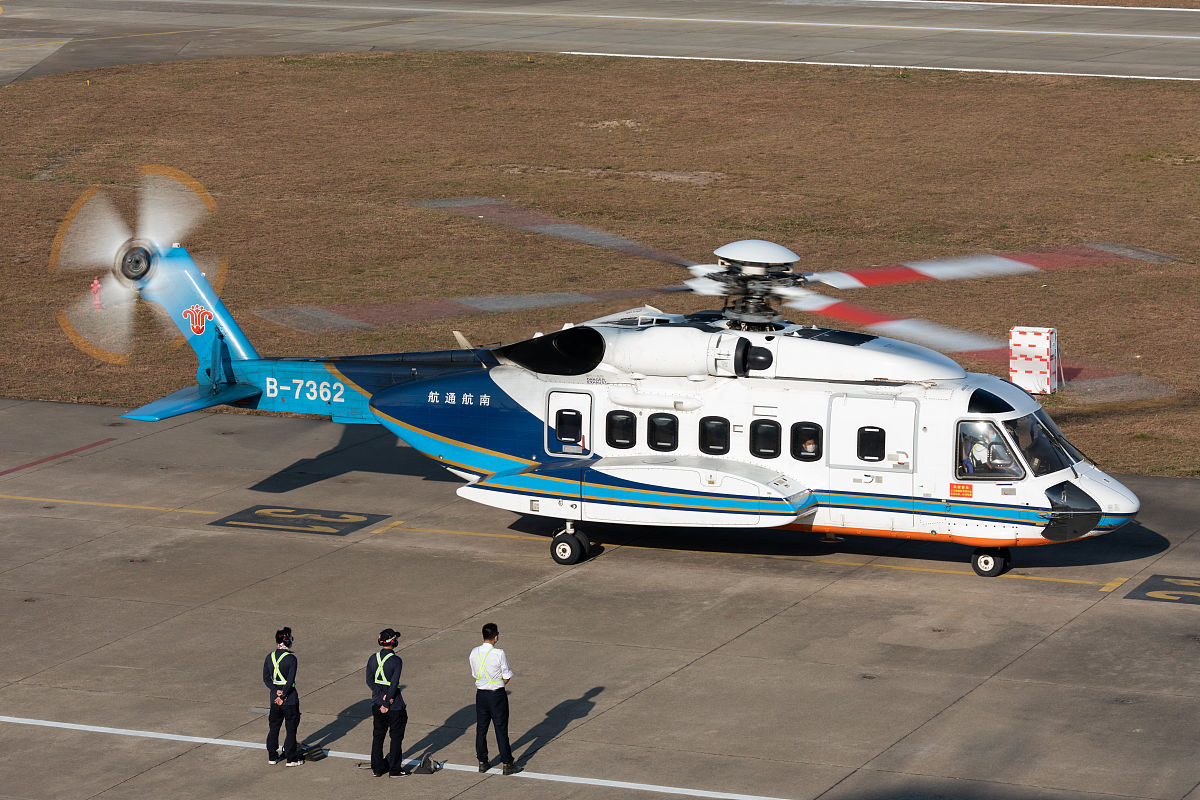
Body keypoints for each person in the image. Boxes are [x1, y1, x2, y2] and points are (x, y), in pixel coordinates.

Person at [469, 622, 521, 775]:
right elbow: (506, 676)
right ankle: (507, 763)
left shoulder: (474, 652)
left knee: (481, 729)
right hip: (496, 695)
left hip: (481, 695)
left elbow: (474, 673)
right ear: (496, 637)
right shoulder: (499, 653)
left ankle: (482, 761)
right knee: (501, 729)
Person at [367, 628, 410, 777]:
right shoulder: (396, 660)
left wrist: (380, 698)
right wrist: (387, 701)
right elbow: (394, 683)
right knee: (396, 736)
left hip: (376, 703)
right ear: (393, 642)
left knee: (378, 736)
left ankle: (377, 768)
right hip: (394, 705)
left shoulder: (373, 658)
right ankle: (395, 769)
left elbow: (369, 681)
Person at [263, 626, 302, 766]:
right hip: (289, 699)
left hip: (274, 699)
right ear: (286, 641)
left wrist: (276, 692)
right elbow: (290, 680)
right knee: (291, 729)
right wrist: (284, 695)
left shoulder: (270, 657)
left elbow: (266, 678)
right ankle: (291, 759)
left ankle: (272, 756)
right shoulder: (291, 659)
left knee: (274, 727)